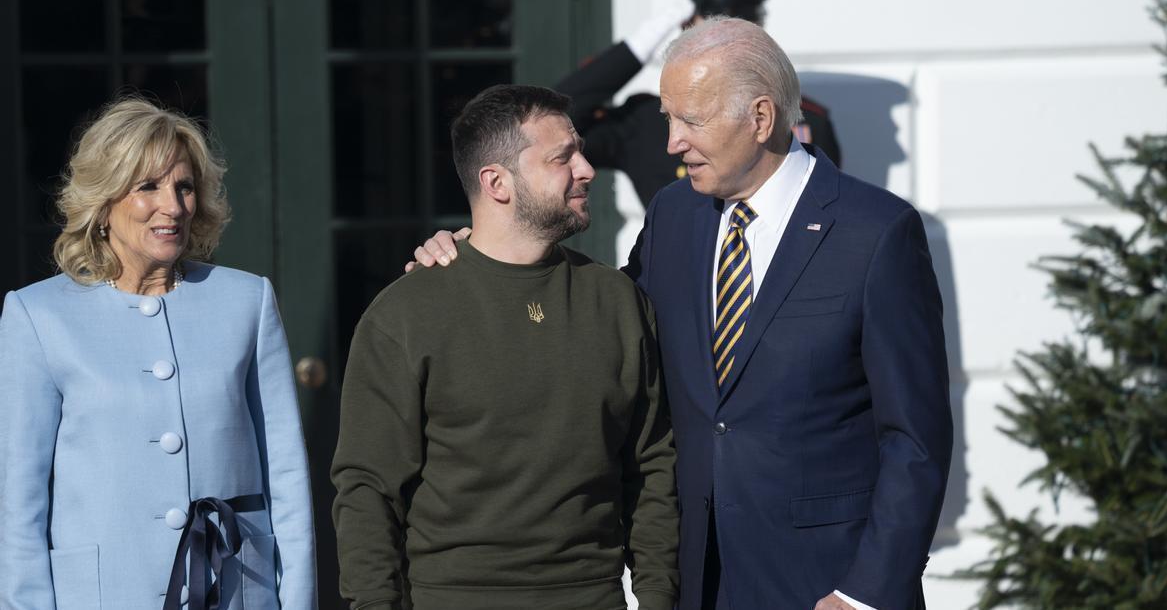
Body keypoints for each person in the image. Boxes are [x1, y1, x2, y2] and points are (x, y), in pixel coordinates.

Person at [411, 19, 952, 610]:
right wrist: (476, 263)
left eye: (690, 121)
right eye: (669, 118)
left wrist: (865, 592)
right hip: (693, 579)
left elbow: (915, 438)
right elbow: (597, 326)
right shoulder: (675, 213)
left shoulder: (877, 232)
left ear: (761, 119)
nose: (671, 142)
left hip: (827, 584)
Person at [330, 85, 678, 610]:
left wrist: (655, 598)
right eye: (563, 157)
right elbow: (366, 490)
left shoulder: (618, 302)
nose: (586, 168)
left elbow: (653, 465)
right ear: (497, 182)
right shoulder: (404, 315)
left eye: (579, 151)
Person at [0, 98, 316, 609]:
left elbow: (286, 475)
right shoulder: (38, 316)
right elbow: (20, 503)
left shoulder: (247, 301)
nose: (173, 205)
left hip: (236, 591)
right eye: (148, 186)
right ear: (104, 201)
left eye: (184, 186)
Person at [556, 0, 841, 210]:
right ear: (688, 26)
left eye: (747, 23)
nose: (733, 39)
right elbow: (558, 116)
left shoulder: (805, 119)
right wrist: (642, 44)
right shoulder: (644, 122)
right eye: (714, 25)